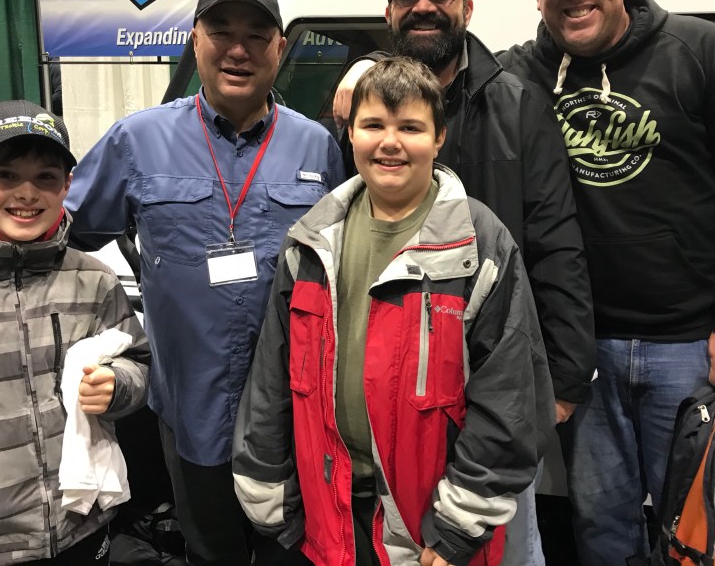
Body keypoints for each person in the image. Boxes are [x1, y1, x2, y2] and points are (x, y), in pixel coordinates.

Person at [0, 0, 344, 566]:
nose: (238, 49)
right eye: (221, 31)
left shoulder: (317, 146)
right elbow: (41, 215)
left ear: (279, 47)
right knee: (210, 552)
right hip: (192, 411)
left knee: (298, 551)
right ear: (195, 40)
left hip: (295, 413)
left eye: (255, 35)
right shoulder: (138, 140)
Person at [493, 0, 715, 565]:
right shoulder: (518, 76)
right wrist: (366, 73)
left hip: (691, 348)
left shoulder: (701, 53)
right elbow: (439, 83)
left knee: (704, 531)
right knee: (601, 529)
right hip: (582, 356)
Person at [330, 0, 595, 566]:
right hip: (392, 389)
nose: (424, 6)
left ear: (467, 7)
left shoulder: (519, 104)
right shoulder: (355, 113)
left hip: (496, 379)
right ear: (389, 13)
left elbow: (556, 242)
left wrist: (561, 378)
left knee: (502, 541)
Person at [233, 56, 556, 566]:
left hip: (430, 528)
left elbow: (509, 397)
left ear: (439, 137)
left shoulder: (478, 243)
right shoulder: (312, 241)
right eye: (373, 125)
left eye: (410, 127)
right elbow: (271, 378)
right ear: (351, 134)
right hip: (330, 515)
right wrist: (267, 488)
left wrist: (457, 526)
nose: (390, 142)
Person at [0, 100, 150, 564]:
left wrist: (118, 385)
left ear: (67, 185)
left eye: (45, 177)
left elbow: (138, 363)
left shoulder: (94, 279)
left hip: (81, 526)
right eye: (5, 175)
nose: (26, 193)